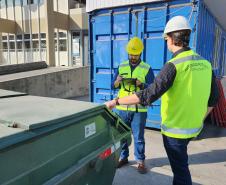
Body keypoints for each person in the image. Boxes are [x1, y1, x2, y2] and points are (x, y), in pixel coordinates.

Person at [105, 16, 219, 184]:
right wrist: (200, 119)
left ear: (172, 38)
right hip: (194, 129)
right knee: (181, 167)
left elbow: (148, 94)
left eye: (166, 39)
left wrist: (116, 102)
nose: (166, 42)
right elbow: (214, 99)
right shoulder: (205, 64)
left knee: (181, 173)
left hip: (175, 132)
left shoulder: (174, 64)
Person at [113, 37, 155, 174]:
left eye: (135, 55)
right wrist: (117, 82)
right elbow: (112, 85)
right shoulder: (121, 66)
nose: (133, 57)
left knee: (139, 137)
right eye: (131, 54)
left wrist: (141, 84)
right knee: (122, 136)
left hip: (139, 110)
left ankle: (141, 162)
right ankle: (123, 157)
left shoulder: (147, 69)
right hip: (122, 109)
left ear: (140, 53)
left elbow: (153, 89)